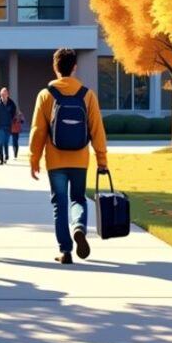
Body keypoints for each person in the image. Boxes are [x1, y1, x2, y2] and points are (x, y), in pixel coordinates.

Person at [30, 48, 108, 265]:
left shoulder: (45, 95)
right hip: (79, 159)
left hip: (55, 161)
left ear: (55, 67)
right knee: (78, 198)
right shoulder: (87, 94)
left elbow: (38, 130)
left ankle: (65, 251)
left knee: (59, 203)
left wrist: (34, 159)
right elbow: (97, 130)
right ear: (74, 67)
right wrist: (102, 160)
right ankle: (79, 228)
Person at [0, 87, 17, 164]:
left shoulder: (11, 103)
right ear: (0, 94)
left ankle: (6, 155)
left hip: (7, 127)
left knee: (5, 142)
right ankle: (1, 159)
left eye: (5, 94)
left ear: (8, 94)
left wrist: (12, 119)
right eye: (2, 94)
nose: (4, 95)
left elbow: (14, 112)